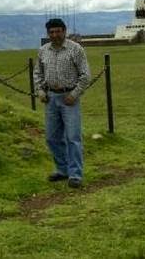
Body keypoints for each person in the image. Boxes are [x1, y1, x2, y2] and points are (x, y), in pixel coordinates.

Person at [34, 18, 91, 188]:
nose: (55, 35)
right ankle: (62, 169)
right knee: (52, 137)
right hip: (51, 98)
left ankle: (75, 174)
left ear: (64, 31)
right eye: (51, 32)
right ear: (48, 34)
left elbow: (85, 75)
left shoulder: (76, 50)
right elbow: (37, 73)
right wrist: (40, 91)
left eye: (58, 31)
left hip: (69, 98)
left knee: (73, 137)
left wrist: (74, 94)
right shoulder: (43, 51)